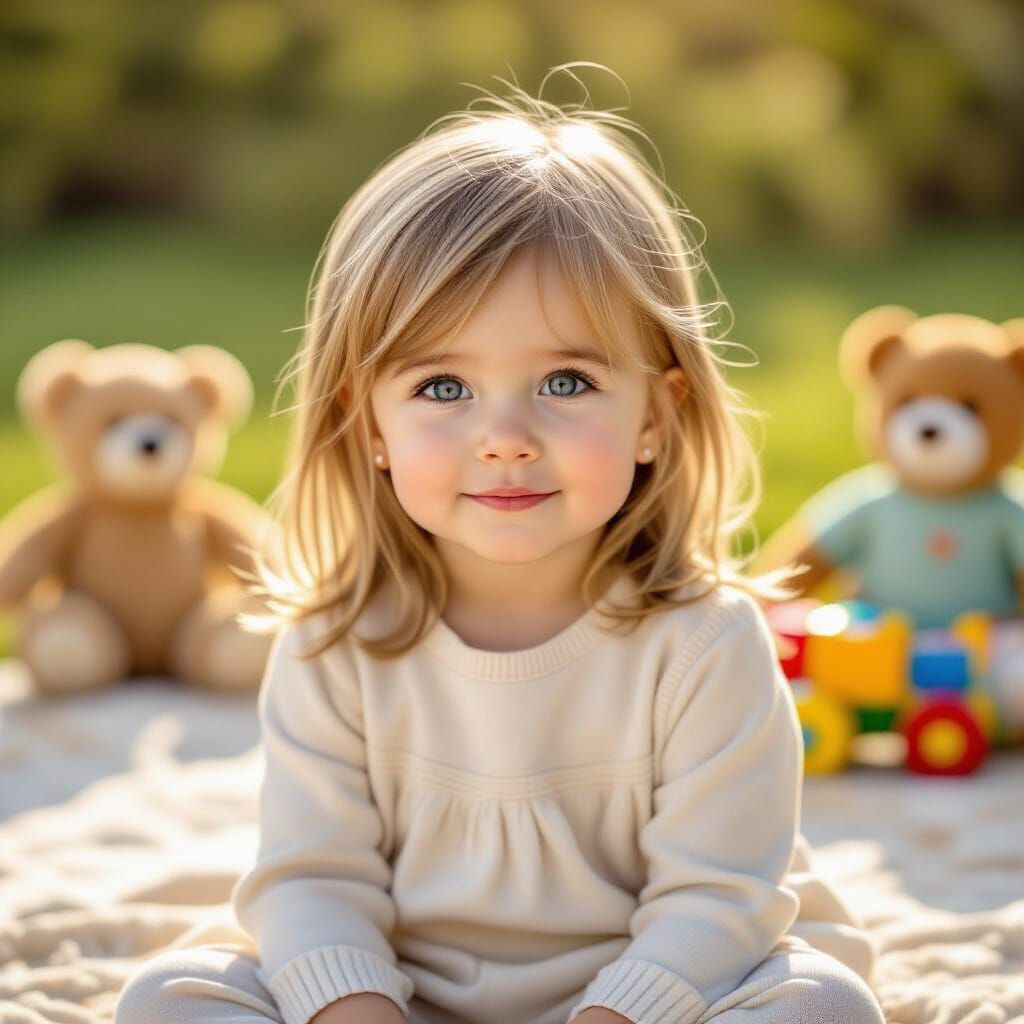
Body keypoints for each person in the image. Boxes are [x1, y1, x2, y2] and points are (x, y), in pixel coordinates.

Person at [114, 71, 886, 1024]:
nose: (506, 436)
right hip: (404, 995)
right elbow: (313, 885)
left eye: (566, 380)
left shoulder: (705, 644)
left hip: (658, 996)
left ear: (657, 412)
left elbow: (718, 901)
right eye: (443, 388)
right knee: (168, 997)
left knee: (824, 1004)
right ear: (369, 425)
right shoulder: (336, 643)